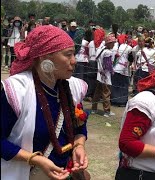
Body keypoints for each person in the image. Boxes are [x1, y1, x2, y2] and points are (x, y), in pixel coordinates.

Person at [1, 26, 89, 180]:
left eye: (74, 54)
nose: (74, 61)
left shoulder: (72, 87)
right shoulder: (16, 91)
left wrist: (79, 145)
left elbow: (79, 127)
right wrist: (34, 159)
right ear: (45, 57)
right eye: (68, 55)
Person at [91, 34, 116, 117]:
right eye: (113, 43)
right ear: (109, 43)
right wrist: (112, 71)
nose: (114, 44)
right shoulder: (108, 52)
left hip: (99, 75)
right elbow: (107, 65)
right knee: (106, 93)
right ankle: (107, 111)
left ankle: (94, 109)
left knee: (97, 93)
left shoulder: (100, 49)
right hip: (105, 76)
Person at [111, 34, 133, 107]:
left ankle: (114, 100)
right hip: (124, 69)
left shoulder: (115, 46)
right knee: (123, 86)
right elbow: (131, 59)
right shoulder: (128, 47)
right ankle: (122, 101)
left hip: (115, 68)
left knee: (115, 86)